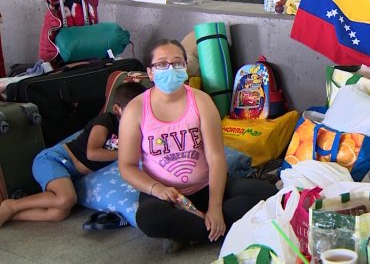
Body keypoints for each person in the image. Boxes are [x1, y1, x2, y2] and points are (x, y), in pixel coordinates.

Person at [118, 39, 278, 253]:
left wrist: (215, 207)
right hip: (166, 195)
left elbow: (216, 158)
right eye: (162, 64)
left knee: (267, 194)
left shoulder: (201, 101)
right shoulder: (136, 109)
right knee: (149, 219)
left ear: (185, 68)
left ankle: (189, 233)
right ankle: (215, 230)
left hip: (206, 187)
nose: (170, 69)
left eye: (177, 63)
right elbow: (126, 166)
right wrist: (157, 188)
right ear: (150, 72)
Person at [0, 82, 146, 227]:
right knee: (66, 199)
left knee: (58, 213)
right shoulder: (106, 121)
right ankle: (12, 205)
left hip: (72, 173)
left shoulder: (135, 129)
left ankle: (12, 215)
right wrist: (127, 153)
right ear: (117, 109)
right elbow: (92, 153)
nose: (139, 115)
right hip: (54, 160)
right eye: (134, 110)